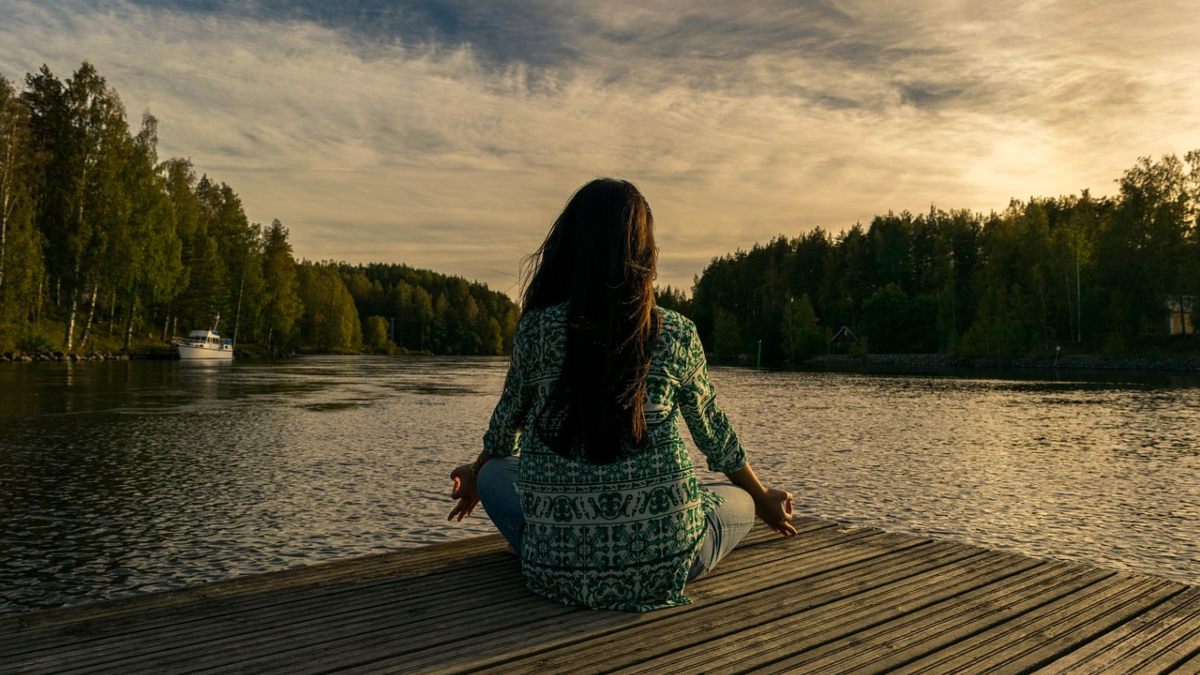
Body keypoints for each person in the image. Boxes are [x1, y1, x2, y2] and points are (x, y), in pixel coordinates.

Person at [447, 178, 796, 612]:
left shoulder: (536, 330)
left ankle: (553, 543)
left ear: (570, 247)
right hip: (667, 564)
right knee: (738, 498)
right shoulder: (676, 332)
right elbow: (715, 437)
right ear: (645, 253)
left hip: (554, 571)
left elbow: (504, 431)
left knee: (497, 471)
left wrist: (478, 472)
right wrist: (763, 499)